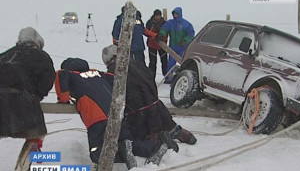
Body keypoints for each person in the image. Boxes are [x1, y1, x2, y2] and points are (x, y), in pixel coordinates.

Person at [55, 58, 179, 170]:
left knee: (98, 153)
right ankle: (157, 145)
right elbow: (115, 79)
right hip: (118, 115)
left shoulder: (71, 75)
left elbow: (60, 74)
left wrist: (64, 99)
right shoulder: (100, 74)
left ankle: (121, 150)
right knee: (129, 143)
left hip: (97, 118)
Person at [102, 45, 197, 146]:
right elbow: (150, 75)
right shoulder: (134, 62)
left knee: (144, 136)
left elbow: (114, 93)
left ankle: (159, 141)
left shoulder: (114, 70)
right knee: (170, 125)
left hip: (138, 111)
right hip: (155, 103)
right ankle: (182, 134)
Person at [0, 27, 55, 169]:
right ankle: (25, 165)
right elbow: (47, 78)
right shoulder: (40, 56)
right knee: (34, 133)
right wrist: (37, 94)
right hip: (22, 100)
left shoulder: (5, 55)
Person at [157, 7, 195, 83]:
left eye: (177, 14)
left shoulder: (186, 24)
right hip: (173, 47)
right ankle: (169, 78)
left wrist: (185, 41)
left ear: (180, 14)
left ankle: (185, 78)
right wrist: (161, 35)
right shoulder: (170, 23)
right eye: (174, 14)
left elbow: (191, 34)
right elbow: (164, 29)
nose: (175, 15)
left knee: (184, 63)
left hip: (183, 48)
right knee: (171, 63)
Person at [145, 9, 168, 79]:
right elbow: (146, 32)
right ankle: (151, 77)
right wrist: (154, 36)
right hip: (152, 45)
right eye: (156, 16)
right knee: (152, 62)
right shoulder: (149, 23)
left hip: (162, 45)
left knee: (164, 61)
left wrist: (163, 38)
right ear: (154, 16)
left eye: (159, 15)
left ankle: (166, 76)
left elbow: (167, 32)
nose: (158, 17)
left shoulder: (164, 23)